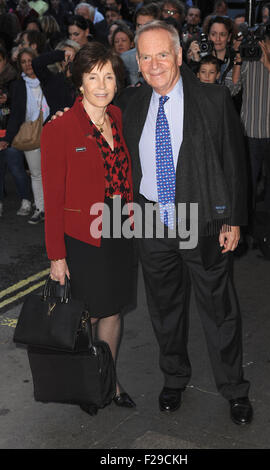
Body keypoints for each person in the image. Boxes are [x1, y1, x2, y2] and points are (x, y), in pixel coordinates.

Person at [118, 20, 253, 425]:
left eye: (163, 53)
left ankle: (234, 388)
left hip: (201, 221)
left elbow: (235, 162)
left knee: (219, 309)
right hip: (150, 220)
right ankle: (174, 378)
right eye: (145, 56)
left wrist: (233, 220)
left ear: (179, 55)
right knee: (164, 308)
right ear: (137, 62)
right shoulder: (129, 103)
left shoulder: (212, 99)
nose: (154, 63)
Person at [41, 42, 135, 415]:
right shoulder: (60, 129)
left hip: (119, 229)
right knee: (87, 317)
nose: (102, 84)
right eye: (93, 76)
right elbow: (52, 198)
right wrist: (56, 257)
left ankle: (108, 382)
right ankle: (85, 385)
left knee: (112, 310)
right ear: (79, 82)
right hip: (82, 237)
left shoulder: (118, 115)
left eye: (109, 76)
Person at [225, 5, 270, 218]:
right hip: (251, 134)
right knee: (246, 192)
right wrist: (237, 56)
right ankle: (247, 236)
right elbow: (231, 89)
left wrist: (268, 64)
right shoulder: (249, 50)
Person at [0, 47, 50, 224]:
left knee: (52, 172)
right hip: (30, 134)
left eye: (30, 60)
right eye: (23, 62)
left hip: (51, 131)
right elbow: (15, 115)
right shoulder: (17, 85)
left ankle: (56, 208)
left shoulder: (48, 79)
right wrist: (8, 138)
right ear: (19, 66)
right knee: (36, 173)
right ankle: (40, 208)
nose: (28, 64)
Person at [0, 46, 31, 218]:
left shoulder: (16, 81)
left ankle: (26, 200)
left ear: (5, 60)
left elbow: (21, 109)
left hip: (12, 134)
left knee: (16, 168)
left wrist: (9, 100)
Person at [189, 15, 236, 83]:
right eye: (213, 34)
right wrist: (196, 60)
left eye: (222, 34)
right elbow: (191, 86)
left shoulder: (236, 58)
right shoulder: (201, 57)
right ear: (208, 36)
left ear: (229, 37)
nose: (218, 39)